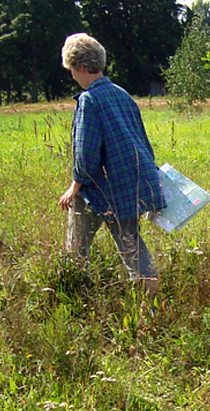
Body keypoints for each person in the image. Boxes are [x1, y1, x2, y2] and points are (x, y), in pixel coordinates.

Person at [58, 33, 165, 296]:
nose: (72, 74)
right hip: (129, 185)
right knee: (132, 247)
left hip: (99, 190)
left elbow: (86, 152)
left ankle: (73, 300)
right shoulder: (121, 94)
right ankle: (152, 304)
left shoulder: (89, 100)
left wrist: (75, 186)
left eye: (71, 68)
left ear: (81, 66)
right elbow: (142, 141)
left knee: (76, 250)